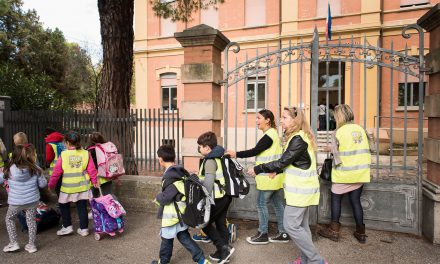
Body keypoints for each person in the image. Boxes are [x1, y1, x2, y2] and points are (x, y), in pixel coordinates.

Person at [248, 107, 327, 264]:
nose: (281, 120)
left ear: (295, 120)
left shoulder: (298, 139)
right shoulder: (299, 137)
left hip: (301, 192)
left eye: (284, 117)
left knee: (290, 226)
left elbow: (283, 161)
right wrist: (277, 172)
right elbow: (293, 162)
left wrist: (259, 168)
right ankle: (305, 260)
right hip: (302, 191)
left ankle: (316, 260)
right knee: (302, 227)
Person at [226, 109, 289, 245]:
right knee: (278, 205)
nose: (256, 121)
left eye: (259, 118)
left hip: (268, 178)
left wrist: (235, 153)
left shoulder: (269, 136)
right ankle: (283, 232)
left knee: (261, 204)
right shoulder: (273, 134)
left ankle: (263, 233)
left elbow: (255, 151)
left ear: (267, 120)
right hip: (275, 177)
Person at [318, 104, 372, 244]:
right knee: (356, 201)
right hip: (360, 173)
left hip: (344, 174)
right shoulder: (361, 129)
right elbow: (370, 148)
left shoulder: (339, 131)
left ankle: (334, 231)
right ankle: (361, 233)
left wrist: (330, 148)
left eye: (335, 116)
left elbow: (337, 156)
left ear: (339, 116)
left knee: (336, 200)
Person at [151, 145, 210, 264]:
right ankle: (202, 260)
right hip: (181, 212)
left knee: (166, 239)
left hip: (171, 215)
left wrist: (157, 197)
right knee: (184, 237)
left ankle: (163, 261)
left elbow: (166, 198)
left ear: (161, 160)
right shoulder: (180, 171)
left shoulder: (170, 177)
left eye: (158, 158)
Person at [48, 131, 99, 237]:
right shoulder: (85, 153)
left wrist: (51, 184)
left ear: (66, 142)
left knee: (63, 205)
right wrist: (94, 181)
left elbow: (57, 172)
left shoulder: (64, 154)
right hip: (82, 187)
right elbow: (92, 170)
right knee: (82, 207)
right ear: (79, 141)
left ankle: (67, 227)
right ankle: (84, 229)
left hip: (67, 188)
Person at [1, 144, 47, 253]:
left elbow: (1, 180)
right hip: (32, 201)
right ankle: (31, 245)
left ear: (14, 155)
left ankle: (14, 243)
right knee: (31, 221)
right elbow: (43, 184)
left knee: (9, 219)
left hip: (16, 202)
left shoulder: (8, 169)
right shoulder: (35, 168)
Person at [197, 131, 234, 264]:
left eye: (200, 146)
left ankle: (223, 248)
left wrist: (196, 181)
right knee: (220, 222)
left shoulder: (210, 160)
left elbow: (208, 183)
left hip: (216, 197)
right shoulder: (220, 156)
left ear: (207, 148)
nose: (199, 149)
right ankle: (222, 252)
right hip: (226, 196)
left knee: (204, 224)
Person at [87, 132, 113, 197]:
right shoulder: (106, 148)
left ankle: (97, 207)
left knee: (94, 196)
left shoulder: (89, 151)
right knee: (108, 195)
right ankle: (110, 206)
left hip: (95, 177)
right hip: (107, 175)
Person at [44, 128, 65, 197]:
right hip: (66, 168)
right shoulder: (62, 143)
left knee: (58, 187)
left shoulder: (50, 145)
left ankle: (61, 203)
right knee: (64, 186)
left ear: (47, 135)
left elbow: (49, 158)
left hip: (56, 169)